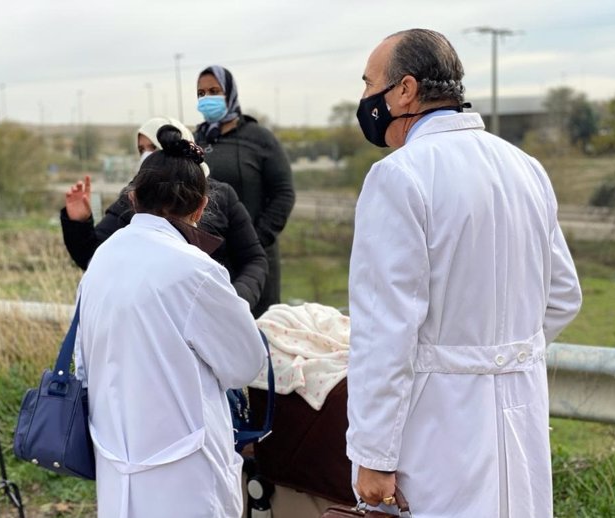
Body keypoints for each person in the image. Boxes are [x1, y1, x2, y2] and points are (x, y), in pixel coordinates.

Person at [346, 29, 582, 517]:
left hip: (441, 426)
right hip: (521, 414)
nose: (366, 98)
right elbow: (563, 295)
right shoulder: (525, 167)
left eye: (370, 84)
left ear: (405, 90)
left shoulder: (399, 175)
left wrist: (373, 455)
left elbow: (385, 328)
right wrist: (505, 353)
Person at [74, 125, 267, 517]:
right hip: (184, 473)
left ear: (133, 198)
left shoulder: (103, 260)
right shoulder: (196, 270)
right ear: (200, 208)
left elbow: (83, 360)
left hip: (114, 462)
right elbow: (246, 363)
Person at [60, 117, 268, 312]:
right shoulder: (134, 197)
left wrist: (235, 299)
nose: (147, 155)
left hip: (215, 308)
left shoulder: (222, 196)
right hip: (157, 313)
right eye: (141, 149)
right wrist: (79, 222)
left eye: (152, 147)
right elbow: (94, 257)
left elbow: (253, 259)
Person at [195, 66, 295, 317]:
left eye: (214, 91)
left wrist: (255, 240)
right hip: (206, 261)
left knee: (256, 332)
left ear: (230, 93)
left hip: (254, 260)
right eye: (201, 93)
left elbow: (283, 194)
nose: (207, 98)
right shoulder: (195, 140)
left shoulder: (260, 139)